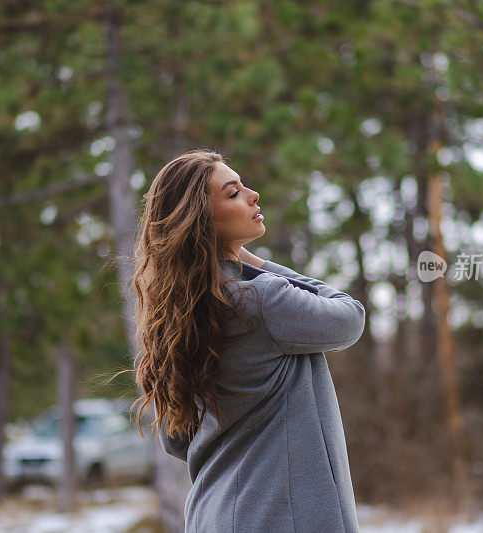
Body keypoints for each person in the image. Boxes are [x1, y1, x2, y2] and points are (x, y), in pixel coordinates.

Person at [130, 149, 366, 532]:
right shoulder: (260, 299)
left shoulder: (178, 316)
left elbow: (177, 439)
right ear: (201, 220)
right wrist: (253, 263)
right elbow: (349, 317)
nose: (252, 195)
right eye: (233, 193)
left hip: (212, 515)